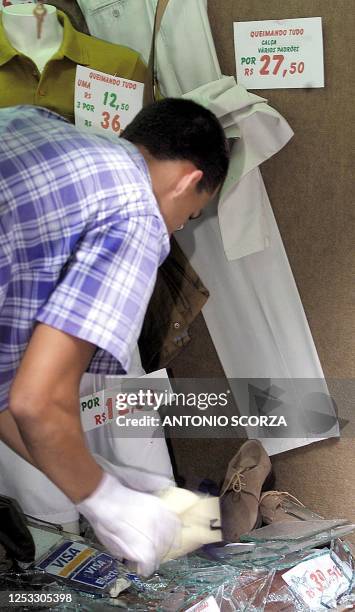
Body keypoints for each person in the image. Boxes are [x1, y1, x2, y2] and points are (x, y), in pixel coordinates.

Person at [0, 98, 229, 574]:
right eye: (192, 214)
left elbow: (7, 397)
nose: (180, 226)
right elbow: (35, 401)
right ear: (189, 180)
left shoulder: (38, 122)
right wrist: (106, 501)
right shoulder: (136, 212)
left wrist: (101, 477)